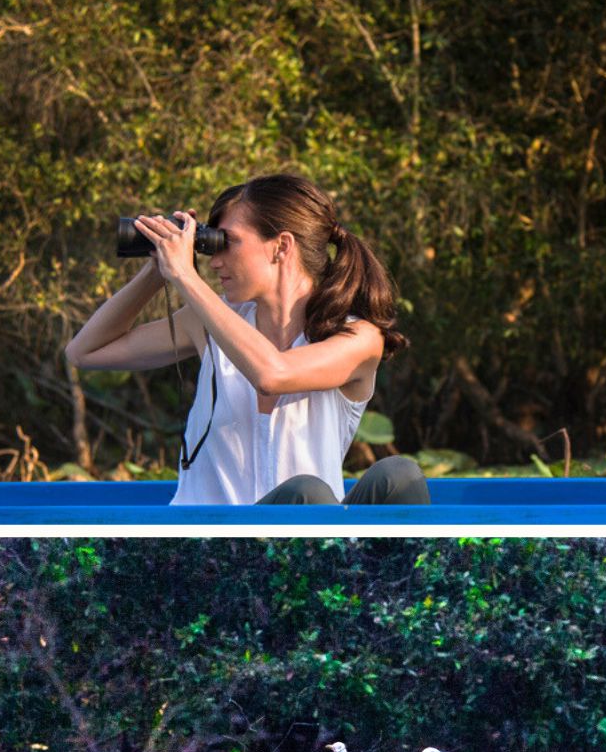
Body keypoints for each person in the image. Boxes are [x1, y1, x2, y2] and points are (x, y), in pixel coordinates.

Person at [66, 174, 429, 505]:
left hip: (308, 542)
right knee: (309, 495)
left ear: (281, 246)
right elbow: (85, 352)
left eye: (228, 243)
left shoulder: (358, 338)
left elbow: (272, 374)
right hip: (214, 543)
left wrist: (185, 276)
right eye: (213, 245)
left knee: (392, 477)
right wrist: (156, 271)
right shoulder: (206, 322)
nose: (214, 262)